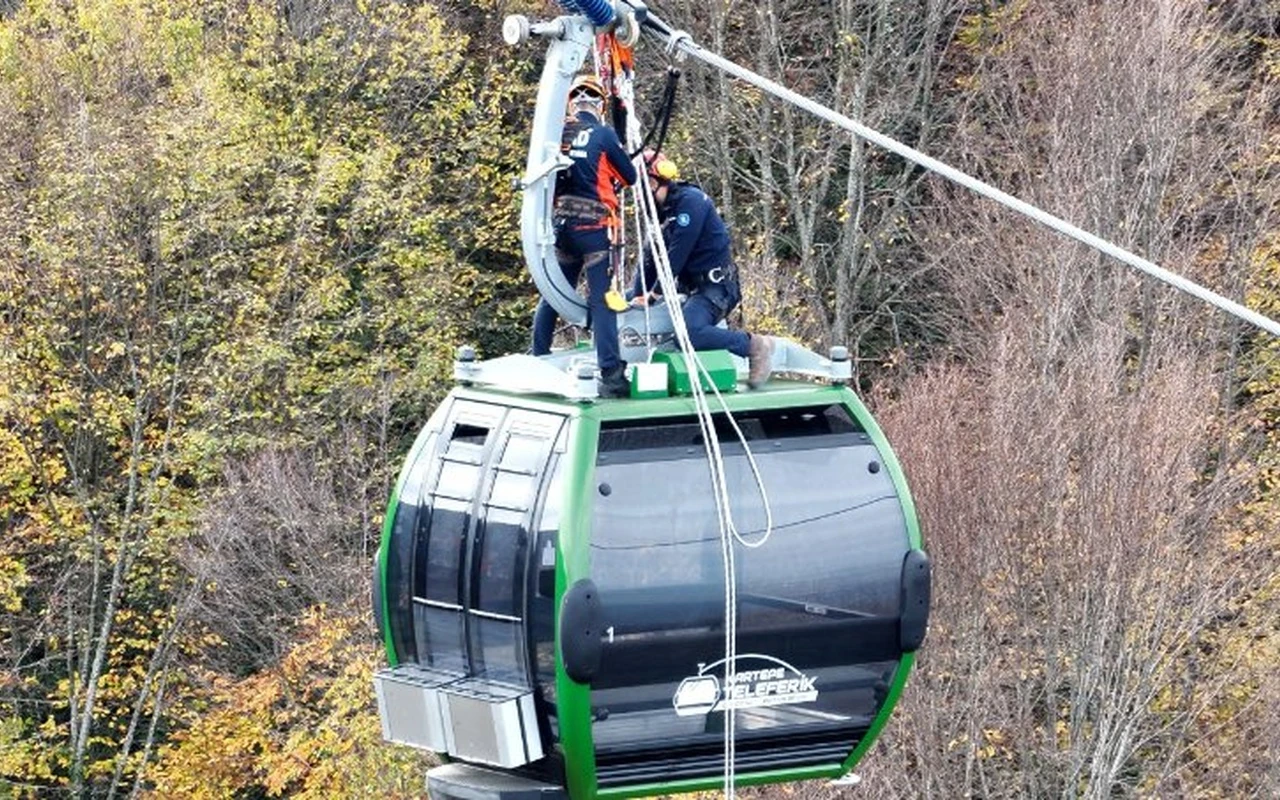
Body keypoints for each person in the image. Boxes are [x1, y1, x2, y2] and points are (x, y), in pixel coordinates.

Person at [531, 73, 637, 398]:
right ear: (599, 106)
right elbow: (629, 176)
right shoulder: (603, 135)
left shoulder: (557, 134)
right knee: (601, 300)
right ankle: (612, 373)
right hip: (592, 229)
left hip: (562, 227)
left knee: (554, 291)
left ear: (572, 103)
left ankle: (538, 355)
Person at [634, 150, 774, 388]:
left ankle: (753, 345)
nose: (638, 195)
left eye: (641, 186)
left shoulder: (691, 202)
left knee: (689, 333)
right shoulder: (659, 215)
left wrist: (654, 294)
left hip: (715, 288)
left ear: (654, 181)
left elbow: (677, 253)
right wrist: (635, 298)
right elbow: (650, 260)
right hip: (689, 290)